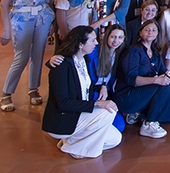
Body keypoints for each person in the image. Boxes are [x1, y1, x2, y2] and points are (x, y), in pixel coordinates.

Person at [42, 26, 121, 159]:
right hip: (64, 117)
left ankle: (72, 141)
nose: (96, 43)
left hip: (80, 114)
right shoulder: (61, 65)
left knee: (115, 138)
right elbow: (63, 103)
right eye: (93, 40)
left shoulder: (84, 60)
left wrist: (102, 87)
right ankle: (73, 147)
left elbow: (85, 87)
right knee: (108, 112)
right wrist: (98, 104)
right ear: (80, 44)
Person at [0, 0, 55, 112]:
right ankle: (6, 94)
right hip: (22, 18)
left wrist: (52, 23)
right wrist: (6, 30)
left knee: (38, 55)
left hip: (43, 17)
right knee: (21, 57)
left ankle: (33, 89)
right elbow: (3, 5)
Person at [114, 19, 170, 138]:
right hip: (128, 95)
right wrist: (157, 80)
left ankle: (140, 114)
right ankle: (148, 124)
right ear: (140, 33)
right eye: (147, 30)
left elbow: (163, 72)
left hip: (146, 94)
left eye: (154, 30)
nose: (150, 32)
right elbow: (131, 79)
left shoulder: (155, 53)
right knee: (163, 84)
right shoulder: (133, 51)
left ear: (157, 33)